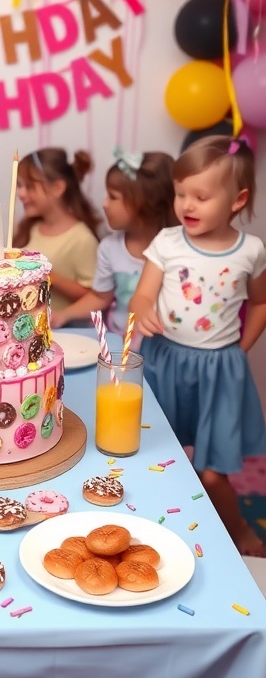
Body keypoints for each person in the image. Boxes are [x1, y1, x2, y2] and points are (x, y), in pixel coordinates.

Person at [129, 135, 266, 557]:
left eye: (200, 196)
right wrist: (144, 309)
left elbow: (260, 303)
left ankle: (239, 529)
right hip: (164, 362)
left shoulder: (252, 251)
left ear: (237, 200)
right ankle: (153, 534)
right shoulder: (167, 244)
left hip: (220, 370)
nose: (186, 205)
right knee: (156, 454)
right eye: (180, 193)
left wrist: (239, 349)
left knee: (211, 473)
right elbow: (141, 296)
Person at [52, 149, 177, 333]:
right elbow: (100, 297)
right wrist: (63, 315)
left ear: (144, 203)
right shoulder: (110, 248)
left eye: (113, 197)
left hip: (164, 346)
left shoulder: (177, 247)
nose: (104, 204)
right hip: (122, 346)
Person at [14, 148, 100, 313]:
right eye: (19, 185)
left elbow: (94, 295)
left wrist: (48, 275)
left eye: (29, 186)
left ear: (58, 188)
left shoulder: (81, 239)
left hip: (64, 331)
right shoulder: (28, 229)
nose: (21, 193)